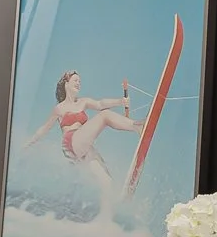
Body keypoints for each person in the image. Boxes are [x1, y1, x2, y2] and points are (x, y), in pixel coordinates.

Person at [26, 68, 142, 209]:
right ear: (66, 83)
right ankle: (138, 127)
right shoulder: (59, 108)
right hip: (71, 142)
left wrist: (120, 101)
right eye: (75, 80)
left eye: (80, 81)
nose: (78, 83)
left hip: (83, 147)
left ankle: (108, 212)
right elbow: (44, 129)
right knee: (105, 116)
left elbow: (100, 104)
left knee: (106, 180)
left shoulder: (83, 102)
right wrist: (29, 143)